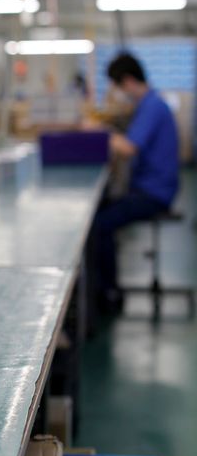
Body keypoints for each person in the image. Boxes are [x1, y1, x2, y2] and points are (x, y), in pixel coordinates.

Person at [89, 53, 179, 313]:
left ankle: (109, 292)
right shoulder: (149, 104)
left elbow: (128, 148)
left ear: (127, 81)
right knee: (101, 209)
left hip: (154, 193)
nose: (116, 93)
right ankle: (101, 286)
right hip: (149, 187)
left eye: (116, 86)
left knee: (99, 225)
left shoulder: (152, 106)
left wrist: (99, 135)